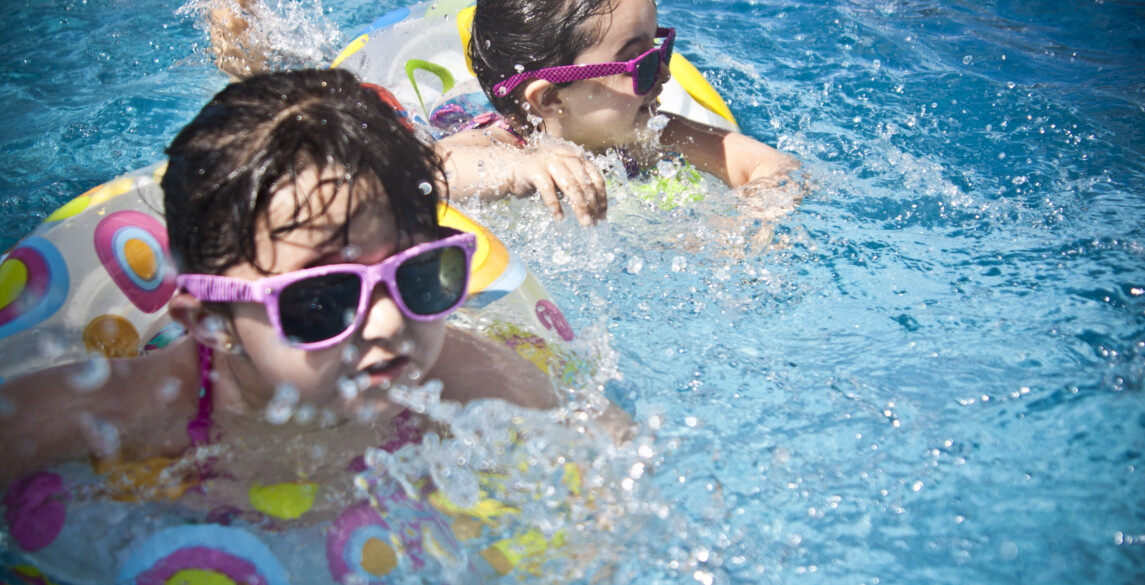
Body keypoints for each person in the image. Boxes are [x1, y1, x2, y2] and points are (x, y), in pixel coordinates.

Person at [0, 69, 557, 492]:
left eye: (417, 276)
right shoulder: (119, 416)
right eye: (323, 299)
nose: (390, 322)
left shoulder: (473, 385)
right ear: (211, 322)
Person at [438, 0, 800, 225]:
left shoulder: (651, 134)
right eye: (639, 64)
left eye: (660, 50)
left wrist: (750, 219)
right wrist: (516, 170)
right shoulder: (502, 146)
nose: (664, 75)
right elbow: (419, 172)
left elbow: (773, 165)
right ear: (550, 98)